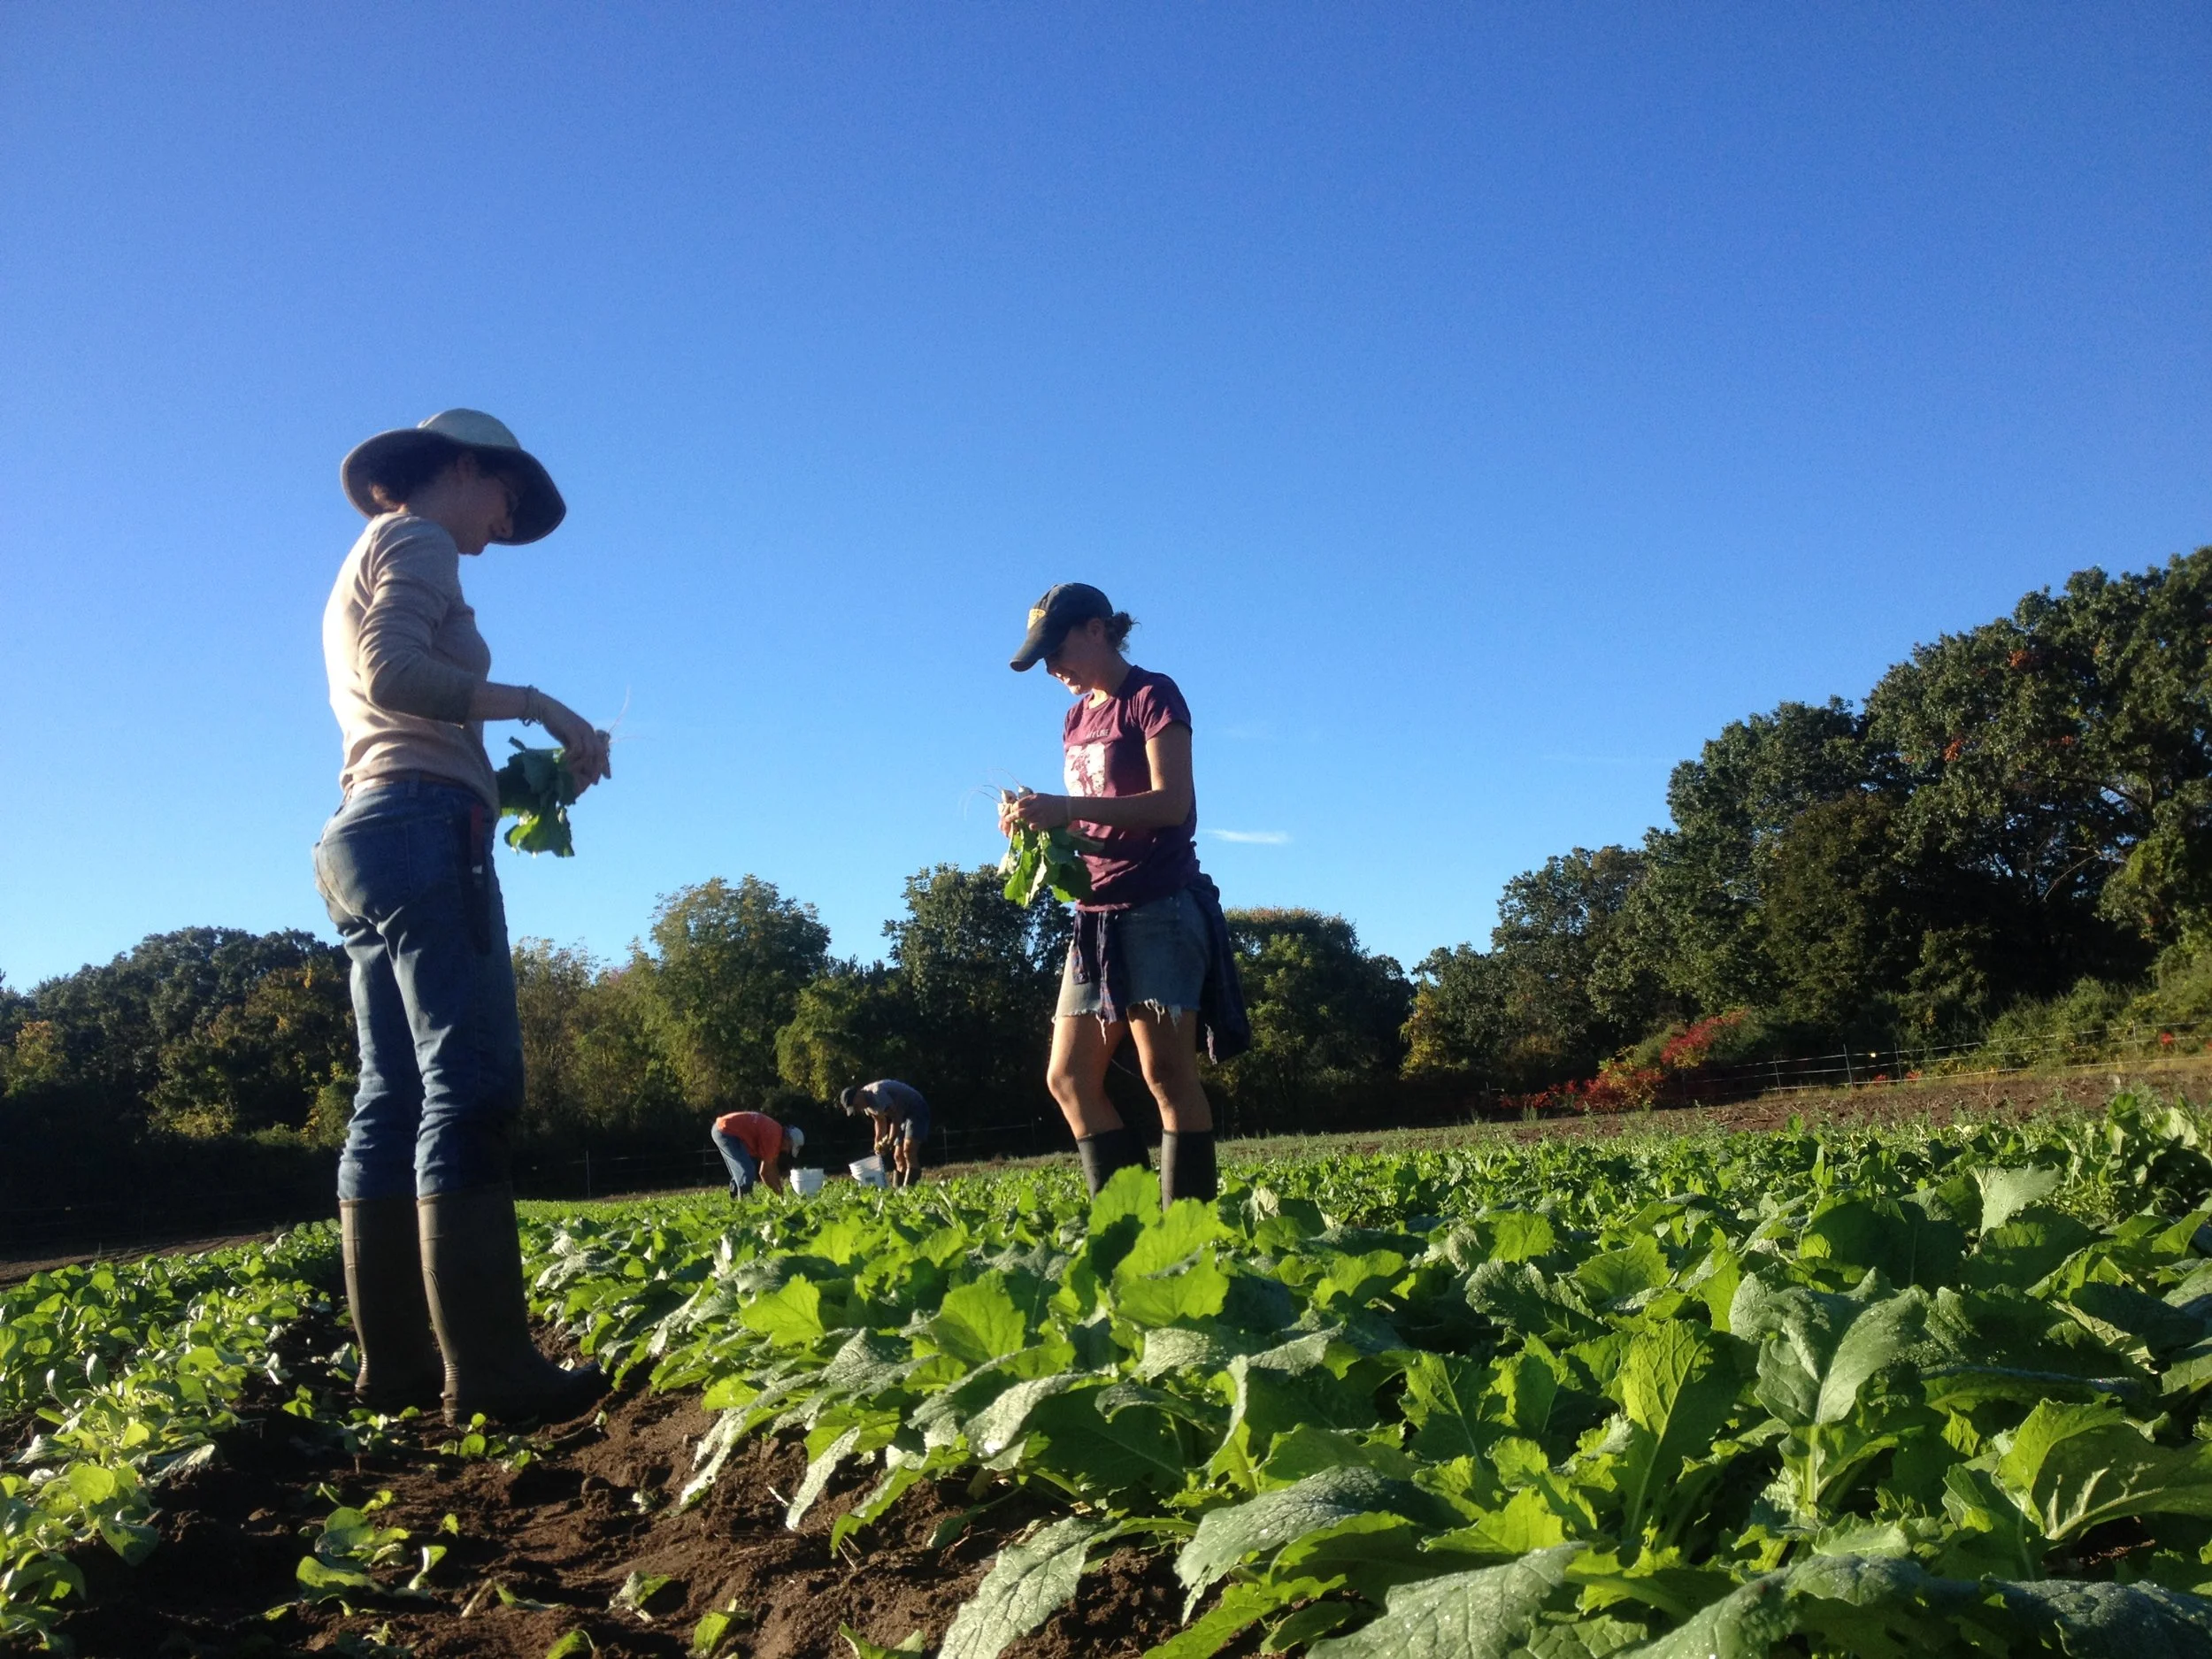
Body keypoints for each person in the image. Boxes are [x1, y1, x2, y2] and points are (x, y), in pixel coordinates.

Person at [315, 409, 612, 1425]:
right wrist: (540, 704)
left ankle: (396, 1369)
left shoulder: (367, 553)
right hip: (422, 824)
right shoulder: (418, 537)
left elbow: (392, 696)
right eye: (507, 493)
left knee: (388, 1097)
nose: (508, 516)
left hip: (364, 828)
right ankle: (488, 1372)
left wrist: (513, 782)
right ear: (460, 467)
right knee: (470, 1085)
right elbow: (395, 676)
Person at [1000, 583, 1248, 1205]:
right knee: (1068, 1078)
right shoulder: (1075, 718)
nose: (1053, 668)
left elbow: (1172, 803)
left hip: (1160, 904)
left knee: (1165, 1074)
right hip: (1096, 915)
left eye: (1056, 650)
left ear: (1098, 630)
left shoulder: (1152, 696)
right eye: (1043, 660)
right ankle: (1133, 1226)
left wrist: (1066, 808)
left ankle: (1186, 1236)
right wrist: (1038, 822)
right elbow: (1092, 822)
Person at [839, 1080, 931, 1187]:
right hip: (901, 1115)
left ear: (858, 1094)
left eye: (856, 1105)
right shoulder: (867, 1106)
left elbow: (895, 1118)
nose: (857, 1109)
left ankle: (909, 1189)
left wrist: (890, 1142)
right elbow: (880, 1121)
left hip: (915, 1109)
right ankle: (898, 1190)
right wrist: (878, 1141)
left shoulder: (877, 1093)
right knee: (898, 1156)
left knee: (908, 1150)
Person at [712, 1110, 804, 1197]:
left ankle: (735, 1204)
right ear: (788, 1141)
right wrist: (779, 1194)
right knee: (747, 1170)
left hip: (724, 1128)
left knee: (740, 1172)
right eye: (789, 1148)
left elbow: (773, 1167)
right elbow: (764, 1173)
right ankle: (745, 1206)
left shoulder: (776, 1132)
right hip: (725, 1130)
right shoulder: (774, 1138)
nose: (787, 1151)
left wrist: (780, 1189)